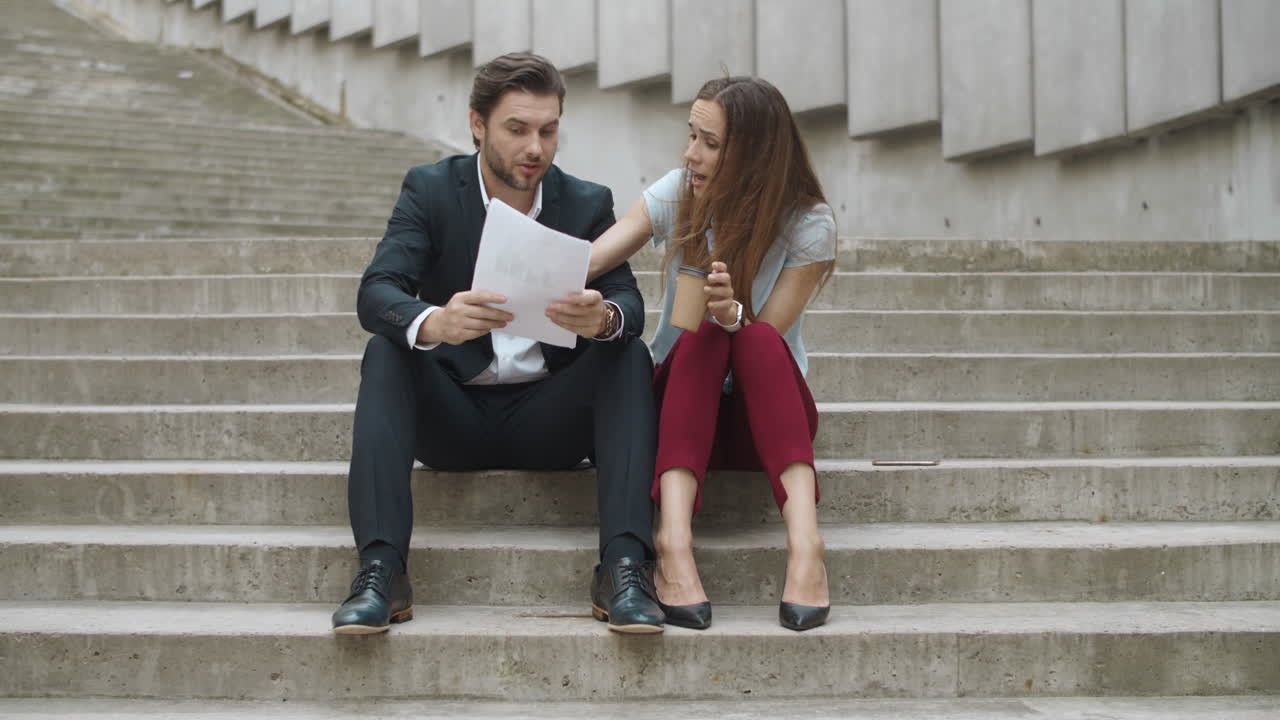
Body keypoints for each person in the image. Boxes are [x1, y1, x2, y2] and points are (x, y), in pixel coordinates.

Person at [333, 53, 664, 636]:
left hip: (549, 420)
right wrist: (433, 322)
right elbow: (376, 291)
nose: (535, 147)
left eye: (548, 129)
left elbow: (629, 305)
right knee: (387, 349)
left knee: (629, 352)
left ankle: (625, 567)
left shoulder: (586, 202)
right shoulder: (430, 189)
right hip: (453, 416)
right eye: (517, 129)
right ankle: (382, 570)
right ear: (478, 125)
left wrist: (603, 318)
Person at [586, 76, 836, 631]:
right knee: (700, 336)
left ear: (753, 154)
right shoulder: (679, 191)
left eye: (709, 143)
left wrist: (734, 316)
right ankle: (673, 543)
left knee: (751, 337)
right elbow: (596, 257)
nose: (690, 153)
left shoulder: (809, 223)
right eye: (690, 135)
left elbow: (764, 341)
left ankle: (806, 548)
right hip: (678, 414)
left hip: (763, 424)